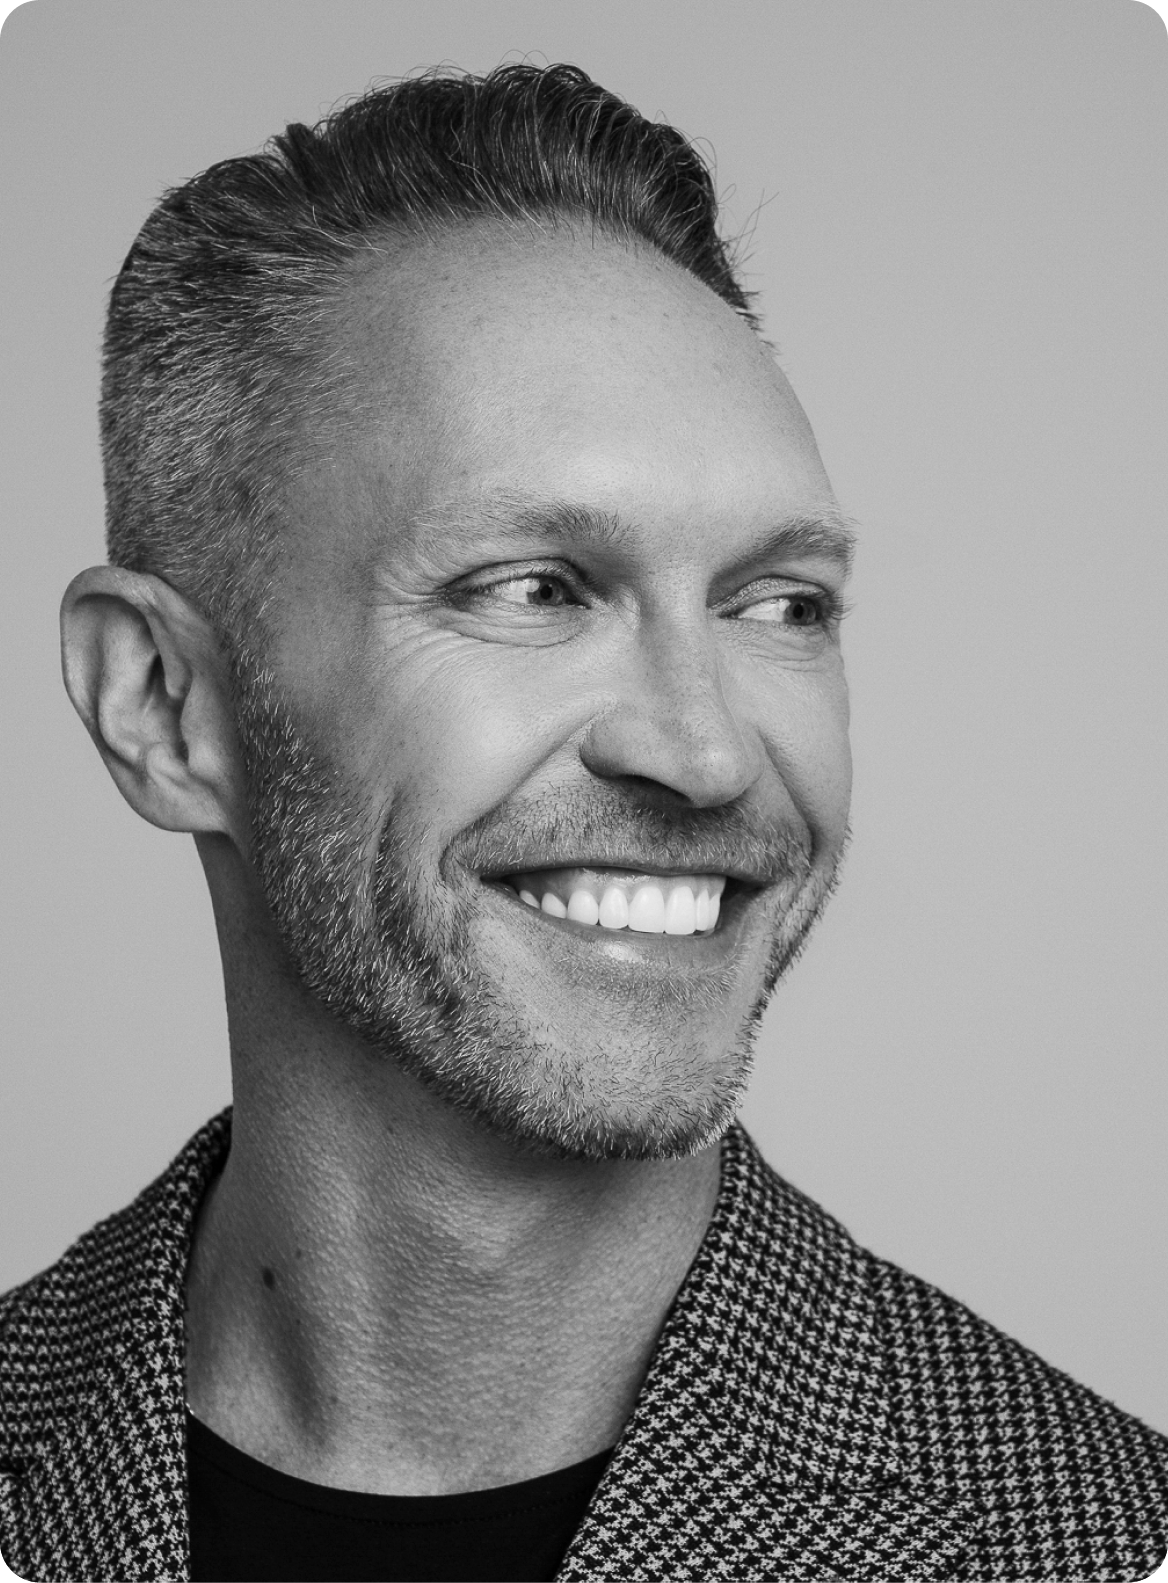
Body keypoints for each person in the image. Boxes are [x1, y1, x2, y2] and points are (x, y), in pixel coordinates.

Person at [0, 62, 1164, 1583]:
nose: (705, 752)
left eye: (781, 604)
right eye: (535, 589)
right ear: (161, 703)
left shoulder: (1091, 1540)